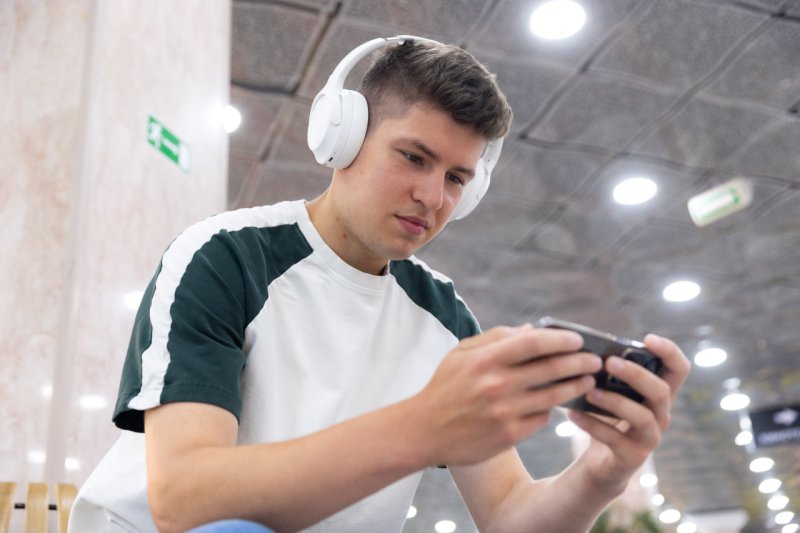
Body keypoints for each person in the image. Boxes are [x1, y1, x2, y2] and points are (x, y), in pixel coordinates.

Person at [69, 36, 691, 533]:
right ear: (343, 138)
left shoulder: (443, 316)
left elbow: (508, 515)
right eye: (414, 157)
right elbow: (184, 501)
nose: (433, 196)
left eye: (457, 177)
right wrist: (422, 426)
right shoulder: (227, 257)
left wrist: (604, 473)